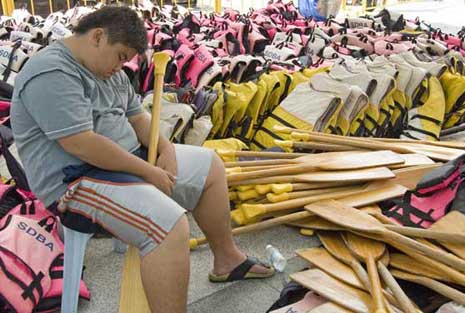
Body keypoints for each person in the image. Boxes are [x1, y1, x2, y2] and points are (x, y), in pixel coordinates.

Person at [10, 6, 274, 313]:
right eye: (121, 55)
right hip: (75, 181)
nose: (122, 65)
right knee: (169, 227)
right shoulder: (52, 72)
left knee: (210, 166)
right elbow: (81, 144)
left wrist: (167, 149)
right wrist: (148, 171)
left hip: (122, 164)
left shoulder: (109, 72)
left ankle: (228, 260)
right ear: (98, 36)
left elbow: (138, 119)